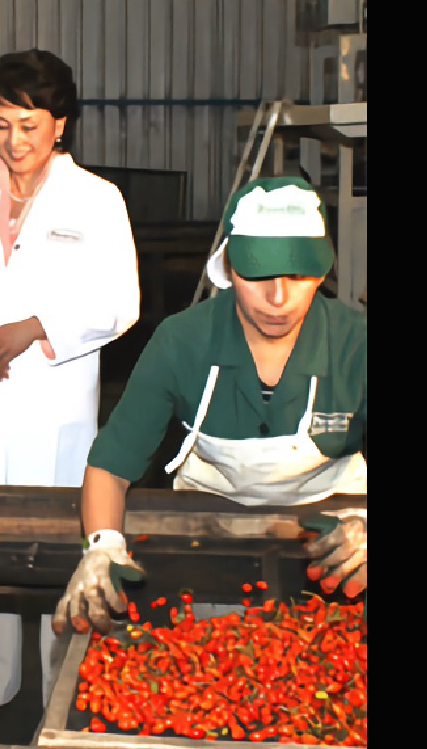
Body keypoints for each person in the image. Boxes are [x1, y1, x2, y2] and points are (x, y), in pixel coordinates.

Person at [52, 176, 367, 635]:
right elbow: (111, 465)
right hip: (213, 532)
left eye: (297, 276)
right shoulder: (183, 342)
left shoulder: (354, 343)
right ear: (228, 269)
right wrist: (101, 545)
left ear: (322, 273)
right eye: (258, 276)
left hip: (340, 543)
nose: (278, 299)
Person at [0, 49, 140, 717]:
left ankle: (60, 689)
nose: (13, 141)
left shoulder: (97, 200)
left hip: (55, 395)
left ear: (60, 126)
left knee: (54, 547)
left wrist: (33, 329)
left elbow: (120, 302)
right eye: (0, 124)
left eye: (28, 125)